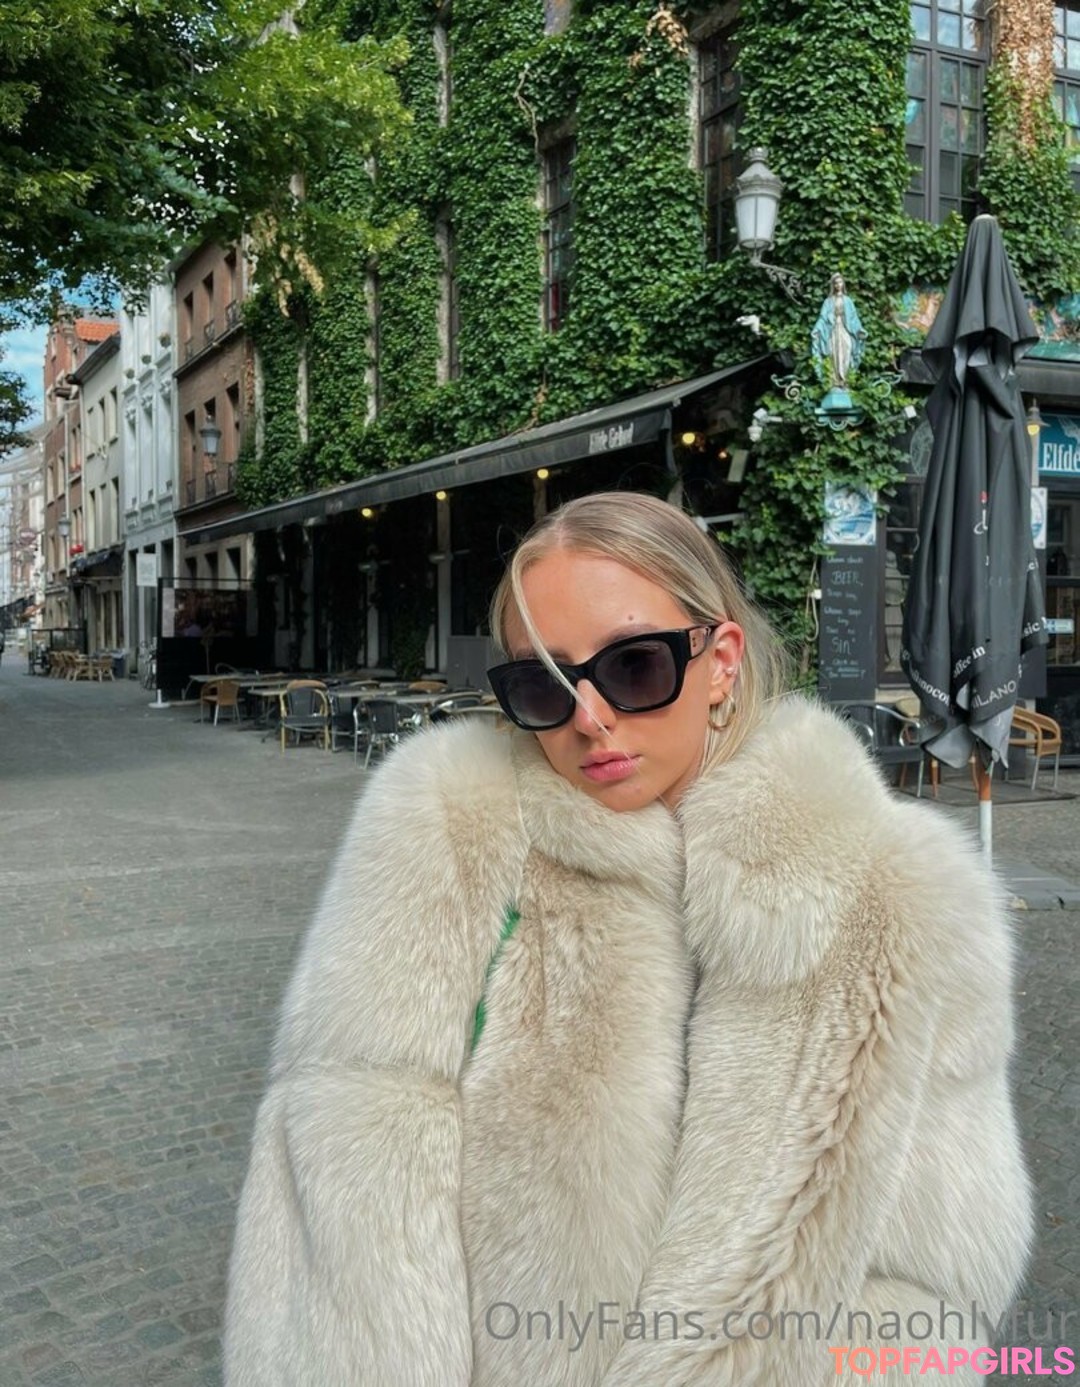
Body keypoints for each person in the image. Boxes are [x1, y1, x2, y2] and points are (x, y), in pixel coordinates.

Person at [225, 491, 1031, 1386]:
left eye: (635, 666)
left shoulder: (900, 897)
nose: (589, 717)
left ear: (720, 661)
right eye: (543, 683)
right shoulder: (450, 835)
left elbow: (931, 1278)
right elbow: (347, 1206)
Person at [812, 272, 867, 387]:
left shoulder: (848, 301)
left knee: (847, 349)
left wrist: (859, 330)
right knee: (833, 352)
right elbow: (822, 318)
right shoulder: (828, 301)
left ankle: (845, 379)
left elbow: (854, 318)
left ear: (843, 284)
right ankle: (834, 379)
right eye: (836, 283)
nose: (838, 285)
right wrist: (817, 330)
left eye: (840, 282)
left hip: (845, 329)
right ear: (833, 285)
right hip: (833, 330)